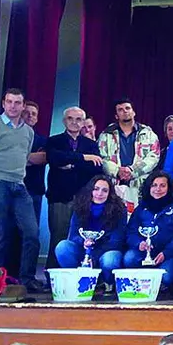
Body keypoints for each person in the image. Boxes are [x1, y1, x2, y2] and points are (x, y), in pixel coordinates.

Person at [0, 88, 40, 291]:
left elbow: (24, 157)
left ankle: (27, 278)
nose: (13, 106)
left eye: (17, 103)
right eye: (9, 102)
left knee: (31, 232)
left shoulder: (28, 132)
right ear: (3, 103)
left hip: (19, 184)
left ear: (23, 105)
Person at [45, 107, 103, 270]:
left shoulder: (91, 144)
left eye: (78, 119)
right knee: (58, 238)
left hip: (84, 199)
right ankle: (53, 278)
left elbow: (95, 169)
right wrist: (83, 158)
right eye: (70, 118)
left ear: (84, 122)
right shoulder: (54, 141)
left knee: (82, 239)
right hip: (60, 197)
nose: (74, 122)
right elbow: (55, 159)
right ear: (64, 121)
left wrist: (70, 164)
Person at [124, 171, 173, 293]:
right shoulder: (141, 208)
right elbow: (131, 231)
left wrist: (166, 253)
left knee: (167, 277)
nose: (158, 189)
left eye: (162, 185)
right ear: (149, 187)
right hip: (144, 253)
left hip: (170, 255)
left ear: (169, 188)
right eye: (154, 185)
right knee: (129, 258)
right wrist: (139, 244)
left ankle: (169, 284)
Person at [55, 175, 126, 291]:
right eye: (96, 189)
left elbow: (117, 240)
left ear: (110, 193)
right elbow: (73, 236)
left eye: (104, 190)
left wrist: (92, 255)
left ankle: (106, 283)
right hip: (83, 249)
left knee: (110, 260)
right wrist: (84, 243)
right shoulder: (79, 207)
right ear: (90, 190)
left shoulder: (119, 210)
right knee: (62, 247)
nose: (100, 193)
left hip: (107, 250)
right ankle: (78, 281)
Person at [98, 98, 160, 206]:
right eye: (120, 109)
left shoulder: (148, 133)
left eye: (128, 108)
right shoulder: (106, 135)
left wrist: (132, 170)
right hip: (114, 184)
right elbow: (101, 158)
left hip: (140, 184)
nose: (125, 111)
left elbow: (154, 156)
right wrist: (118, 171)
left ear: (134, 112)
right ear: (116, 116)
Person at [22, 101, 47, 228]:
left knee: (30, 232)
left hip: (34, 190)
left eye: (33, 114)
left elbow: (42, 158)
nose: (30, 116)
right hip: (11, 189)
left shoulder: (43, 141)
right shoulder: (9, 138)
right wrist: (31, 157)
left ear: (37, 119)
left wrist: (19, 157)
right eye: (26, 113)